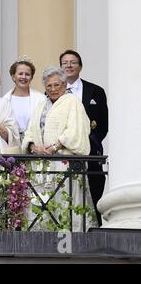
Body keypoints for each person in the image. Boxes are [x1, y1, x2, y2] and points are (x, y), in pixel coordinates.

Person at [22, 66, 96, 231]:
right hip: (41, 167)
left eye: (57, 85)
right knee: (41, 206)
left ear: (64, 85)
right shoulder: (41, 105)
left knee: (64, 204)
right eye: (49, 86)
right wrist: (33, 147)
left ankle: (69, 242)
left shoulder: (72, 102)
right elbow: (30, 131)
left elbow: (76, 130)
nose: (53, 89)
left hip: (63, 164)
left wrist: (55, 147)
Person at [60, 49, 108, 226]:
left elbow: (104, 123)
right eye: (65, 63)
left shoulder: (96, 91)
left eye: (73, 62)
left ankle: (94, 228)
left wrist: (92, 142)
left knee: (94, 188)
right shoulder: (55, 91)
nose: (69, 65)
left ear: (80, 66)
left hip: (90, 150)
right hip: (64, 150)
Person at [3, 57, 45, 143]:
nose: (24, 77)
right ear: (13, 76)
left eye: (27, 74)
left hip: (35, 145)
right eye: (20, 73)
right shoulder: (5, 100)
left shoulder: (41, 99)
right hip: (11, 146)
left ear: (31, 77)